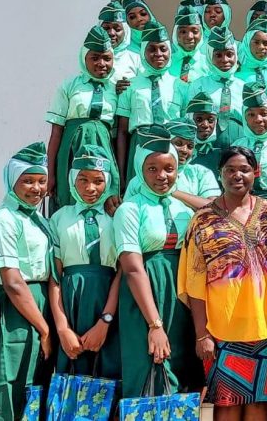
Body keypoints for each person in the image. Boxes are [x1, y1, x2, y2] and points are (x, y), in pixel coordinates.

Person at [178, 146, 267, 421]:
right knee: (226, 406)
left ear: (256, 173)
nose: (238, 175)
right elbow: (194, 281)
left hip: (266, 326)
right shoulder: (203, 219)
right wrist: (202, 335)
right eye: (230, 170)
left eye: (245, 169)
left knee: (260, 405)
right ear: (220, 174)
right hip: (222, 330)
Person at [113, 125, 203, 398]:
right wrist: (155, 325)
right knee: (149, 371)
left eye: (169, 168)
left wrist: (173, 193)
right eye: (152, 169)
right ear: (140, 170)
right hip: (146, 299)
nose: (162, 176)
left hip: (181, 300)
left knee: (182, 375)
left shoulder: (182, 208)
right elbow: (132, 268)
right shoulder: (130, 209)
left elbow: (215, 208)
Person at [48, 145, 121, 379]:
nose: (91, 188)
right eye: (83, 180)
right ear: (71, 179)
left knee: (108, 375)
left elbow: (123, 271)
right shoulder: (59, 218)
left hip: (109, 300)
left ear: (107, 182)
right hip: (71, 304)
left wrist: (105, 322)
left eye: (99, 181)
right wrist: (62, 328)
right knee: (72, 374)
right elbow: (55, 277)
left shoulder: (117, 217)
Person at [0, 142, 53, 420]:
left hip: (41, 303)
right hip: (15, 308)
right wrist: (44, 329)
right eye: (28, 181)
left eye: (42, 181)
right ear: (12, 181)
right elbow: (12, 281)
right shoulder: (4, 219)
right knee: (10, 380)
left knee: (35, 383)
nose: (36, 189)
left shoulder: (41, 220)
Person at [46, 26, 121, 211]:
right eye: (94, 58)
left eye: (106, 58)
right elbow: (56, 133)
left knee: (105, 200)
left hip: (104, 148)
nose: (101, 63)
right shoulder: (69, 86)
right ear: (83, 58)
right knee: (69, 197)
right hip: (71, 148)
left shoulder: (116, 88)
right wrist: (51, 173)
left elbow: (118, 134)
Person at [116, 20, 188, 185]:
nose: (158, 54)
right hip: (139, 144)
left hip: (170, 145)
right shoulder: (130, 85)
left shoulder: (180, 86)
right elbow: (122, 132)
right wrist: (122, 170)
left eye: (163, 49)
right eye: (152, 49)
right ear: (143, 51)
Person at [124, 117, 220, 210]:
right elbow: (127, 211)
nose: (185, 150)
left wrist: (172, 191)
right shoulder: (139, 181)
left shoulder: (200, 173)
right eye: (178, 143)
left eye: (190, 146)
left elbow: (216, 208)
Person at [188, 26, 246, 151]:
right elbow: (190, 118)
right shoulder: (199, 85)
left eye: (229, 54)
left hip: (240, 142)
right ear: (209, 56)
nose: (225, 60)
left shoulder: (243, 87)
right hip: (208, 145)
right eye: (218, 55)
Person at [98, 0, 142, 86]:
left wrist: (127, 91)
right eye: (106, 28)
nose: (111, 33)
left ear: (125, 31)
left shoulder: (137, 59)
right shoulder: (92, 58)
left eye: (117, 29)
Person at [168, 6, 209, 83]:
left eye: (195, 31)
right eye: (183, 32)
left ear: (201, 34)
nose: (189, 37)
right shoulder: (167, 63)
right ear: (175, 35)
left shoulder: (209, 64)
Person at [186, 92, 222, 172]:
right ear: (189, 119)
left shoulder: (222, 150)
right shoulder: (179, 147)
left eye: (210, 120)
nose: (205, 125)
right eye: (199, 119)